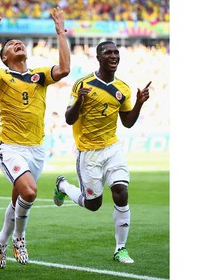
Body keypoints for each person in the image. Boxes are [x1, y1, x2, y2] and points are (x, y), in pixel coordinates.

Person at [0, 7, 70, 269]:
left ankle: (1, 239)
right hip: (10, 147)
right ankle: (20, 237)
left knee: (17, 198)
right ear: (5, 57)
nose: (17, 44)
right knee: (29, 192)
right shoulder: (3, 76)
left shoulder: (39, 76)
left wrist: (59, 32)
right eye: (10, 44)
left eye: (19, 42)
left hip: (37, 148)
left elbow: (64, 69)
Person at [53, 41, 151, 264]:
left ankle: (121, 249)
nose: (114, 56)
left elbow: (127, 123)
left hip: (112, 148)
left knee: (121, 191)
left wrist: (139, 104)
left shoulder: (123, 88)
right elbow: (69, 118)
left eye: (117, 52)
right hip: (88, 153)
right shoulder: (83, 84)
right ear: (98, 57)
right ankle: (63, 186)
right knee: (93, 205)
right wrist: (80, 100)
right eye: (108, 52)